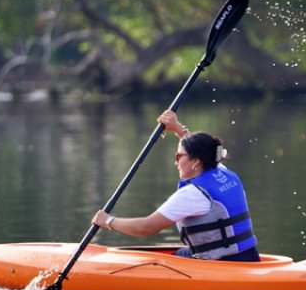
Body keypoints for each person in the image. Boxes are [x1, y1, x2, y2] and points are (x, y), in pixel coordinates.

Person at [92, 110, 260, 262]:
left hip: (223, 266)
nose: (176, 161)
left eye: (179, 156)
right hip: (249, 257)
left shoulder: (193, 194)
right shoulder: (224, 173)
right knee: (180, 254)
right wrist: (178, 128)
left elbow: (147, 227)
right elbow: (202, 147)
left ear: (195, 162)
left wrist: (108, 221)